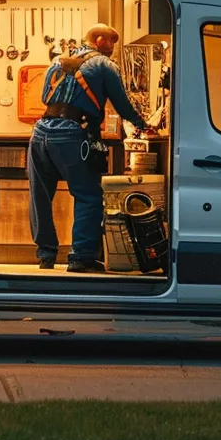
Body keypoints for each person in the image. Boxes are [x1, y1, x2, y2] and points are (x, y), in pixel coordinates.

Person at [31, 24, 150, 273]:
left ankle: (45, 255)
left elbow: (45, 98)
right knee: (88, 195)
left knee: (40, 196)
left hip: (41, 132)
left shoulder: (57, 62)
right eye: (112, 42)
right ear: (98, 40)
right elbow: (122, 104)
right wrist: (142, 123)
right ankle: (80, 257)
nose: (114, 48)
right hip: (71, 134)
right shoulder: (104, 66)